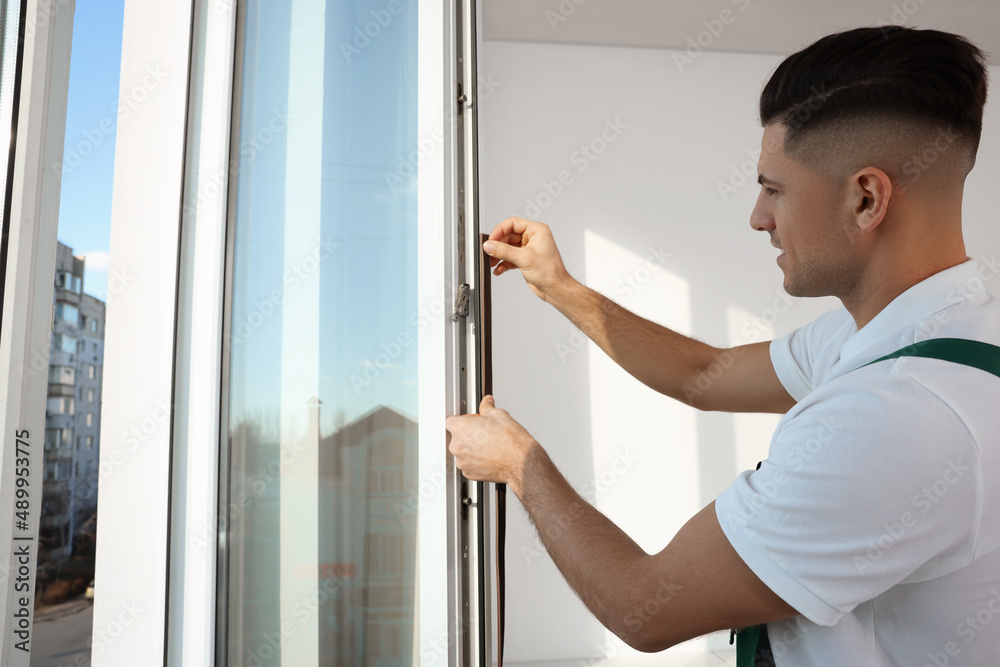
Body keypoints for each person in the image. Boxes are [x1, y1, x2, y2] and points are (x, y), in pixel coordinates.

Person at [444, 25, 1000, 665]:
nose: (758, 217)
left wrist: (519, 465)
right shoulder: (926, 333)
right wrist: (560, 287)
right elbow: (703, 373)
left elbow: (643, 606)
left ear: (866, 198)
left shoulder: (898, 417)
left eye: (773, 188)